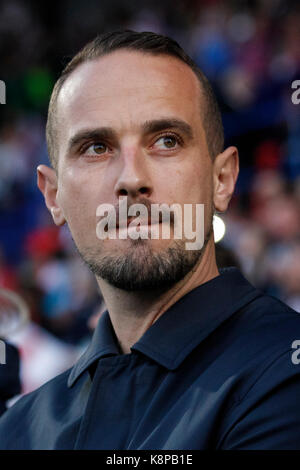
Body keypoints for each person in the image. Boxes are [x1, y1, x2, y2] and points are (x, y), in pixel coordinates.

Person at [0, 30, 300, 450]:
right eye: (95, 147)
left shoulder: (286, 372)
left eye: (166, 141)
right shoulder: (20, 429)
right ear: (53, 196)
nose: (132, 179)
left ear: (222, 179)